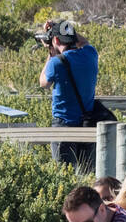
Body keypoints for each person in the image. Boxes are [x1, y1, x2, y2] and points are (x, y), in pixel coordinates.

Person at [38, 20, 97, 171]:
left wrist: (50, 52)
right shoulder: (91, 54)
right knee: (87, 173)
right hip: (87, 124)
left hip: (63, 126)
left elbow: (43, 82)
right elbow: (83, 41)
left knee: (63, 174)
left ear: (56, 40)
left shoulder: (56, 63)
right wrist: (64, 28)